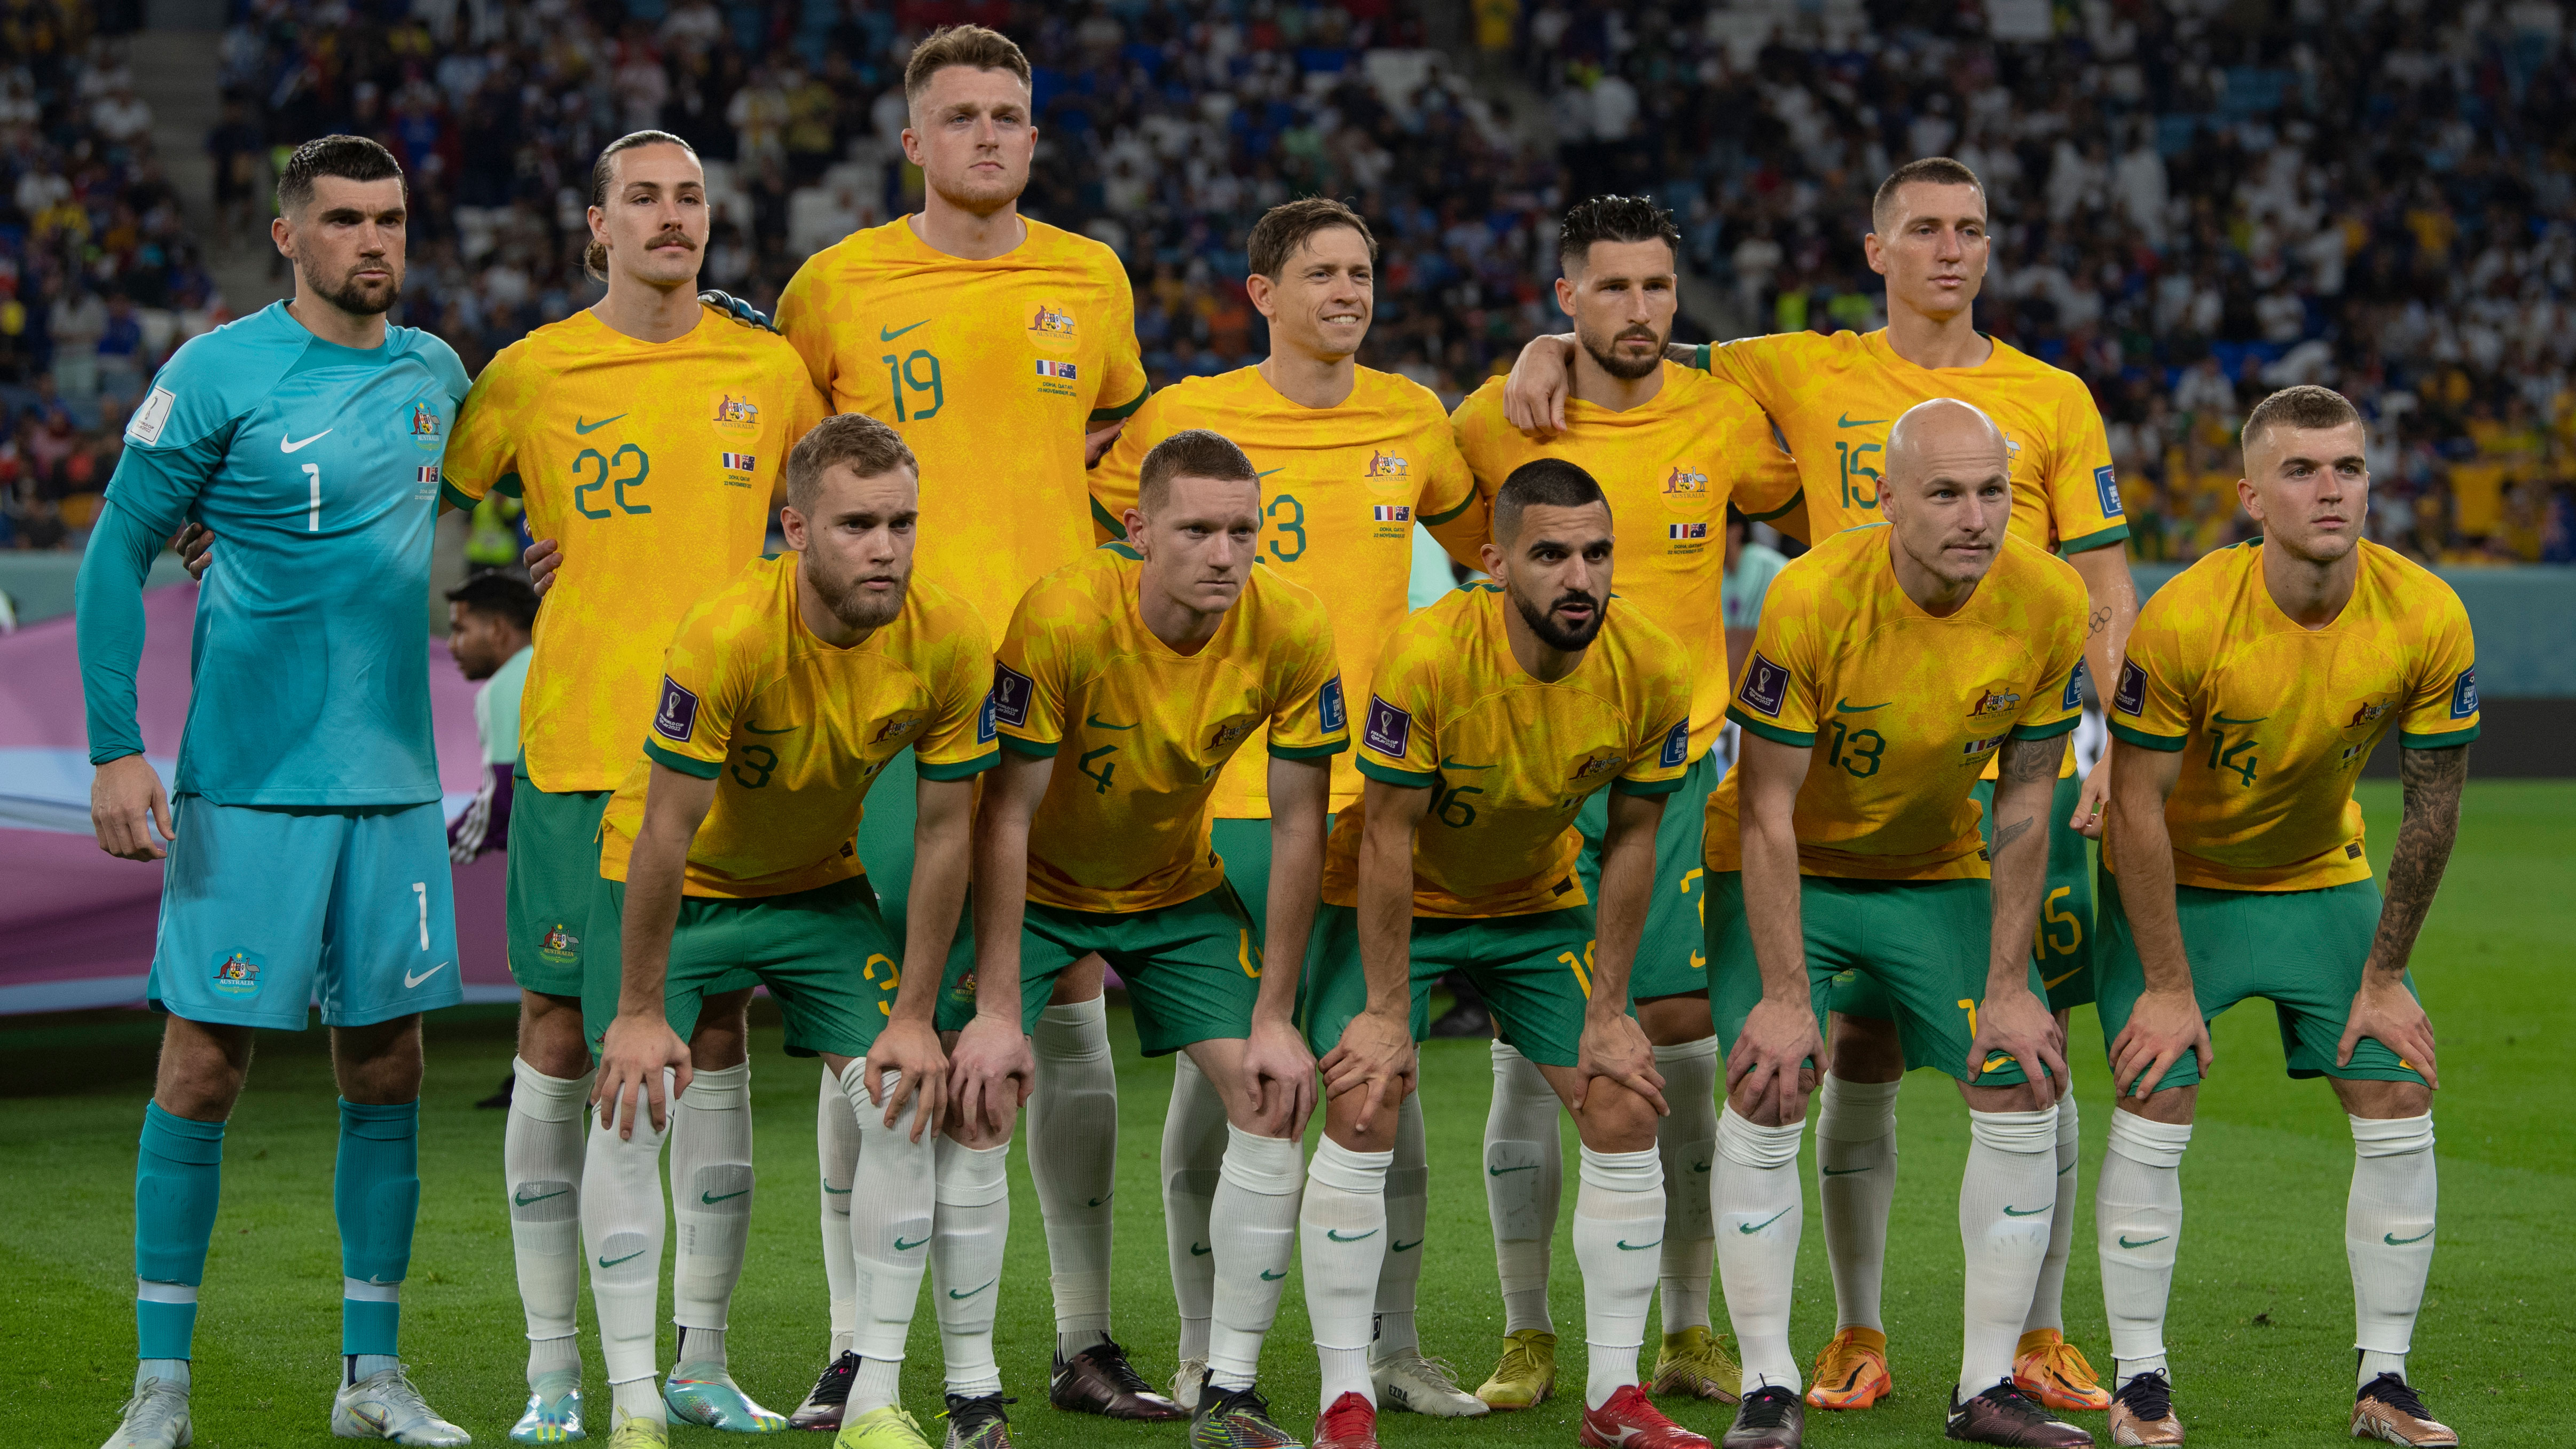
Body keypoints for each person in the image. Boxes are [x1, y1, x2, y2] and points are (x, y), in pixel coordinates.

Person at [1506, 158, 2139, 1413]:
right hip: (1827, 749)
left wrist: (2104, 734)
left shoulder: (2052, 396)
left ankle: (2038, 1331)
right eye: (1923, 230)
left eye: (1970, 228)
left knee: (2034, 1037)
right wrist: (1543, 339)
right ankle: (1843, 1334)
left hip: (1988, 763)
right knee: (1831, 1047)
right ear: (1875, 248)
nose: (1950, 250)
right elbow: (1637, 341)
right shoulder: (1798, 367)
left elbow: (2104, 580)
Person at [772, 29, 1165, 1415]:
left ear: (1034, 138)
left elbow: (1119, 448)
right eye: (962, 115)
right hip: (889, 692)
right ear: (914, 142)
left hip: (1055, 688)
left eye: (1011, 114)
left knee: (1063, 994)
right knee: (874, 1005)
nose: (990, 134)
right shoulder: (836, 287)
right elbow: (787, 480)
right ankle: (856, 1340)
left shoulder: (1091, 276)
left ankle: (1082, 1336)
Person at [78, 134, 473, 1449]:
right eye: (348, 218)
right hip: (246, 787)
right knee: (199, 1067)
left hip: (398, 788)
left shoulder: (437, 373)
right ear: (287, 235)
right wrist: (115, 744)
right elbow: (117, 549)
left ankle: (372, 1372)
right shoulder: (215, 372)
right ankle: (162, 1389)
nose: (376, 241)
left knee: (390, 1067)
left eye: (394, 219)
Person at [438, 129, 829, 1443]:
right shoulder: (532, 371)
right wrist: (480, 584)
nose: (672, 217)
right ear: (594, 227)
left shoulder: (769, 369)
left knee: (712, 1039)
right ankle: (558, 1370)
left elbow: (830, 523)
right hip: (580, 754)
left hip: (729, 762)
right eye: (644, 198)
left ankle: (702, 1360)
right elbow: (424, 484)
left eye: (692, 198)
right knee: (558, 1039)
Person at [1087, 197, 1489, 1418]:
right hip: (1219, 806)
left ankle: (1393, 1346)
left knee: (1383, 1071)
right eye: (1321, 272)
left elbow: (1488, 536)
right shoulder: (1184, 416)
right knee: (1228, 1087)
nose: (1348, 291)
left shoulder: (1414, 418)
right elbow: (1106, 532)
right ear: (1260, 291)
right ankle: (1215, 1353)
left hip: (1374, 805)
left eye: (1362, 271)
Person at [1449, 195, 1800, 1411]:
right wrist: (1529, 369)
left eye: (1658, 287)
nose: (1640, 311)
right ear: (1565, 295)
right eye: (1612, 289)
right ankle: (1529, 1326)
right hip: (1532, 775)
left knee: (1680, 1046)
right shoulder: (1498, 419)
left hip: (1679, 769)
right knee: (1526, 1047)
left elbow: (1814, 487)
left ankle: (1687, 1324)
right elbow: (1459, 544)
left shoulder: (1728, 419)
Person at [584, 413, 993, 1449]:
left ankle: (875, 1401)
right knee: (633, 1099)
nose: (887, 547)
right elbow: (666, 832)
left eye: (903, 522)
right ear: (796, 529)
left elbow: (950, 835)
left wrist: (912, 1015)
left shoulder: (948, 638)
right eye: (859, 524)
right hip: (686, 890)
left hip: (817, 889)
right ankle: (637, 1401)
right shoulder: (726, 633)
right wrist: (638, 1011)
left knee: (906, 1093)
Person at [942, 428, 1342, 1449]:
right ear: (1138, 530)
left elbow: (1302, 822)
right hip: (1036, 891)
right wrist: (995, 1008)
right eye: (1196, 530)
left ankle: (1229, 1393)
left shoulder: (1291, 627)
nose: (1222, 552)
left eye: (1241, 530)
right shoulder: (1064, 614)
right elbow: (1006, 812)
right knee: (973, 1091)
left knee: (1270, 1090)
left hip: (1173, 892)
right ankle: (973, 1395)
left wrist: (1275, 1015)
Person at [1706, 399, 2091, 1449]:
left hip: (1935, 870)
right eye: (1946, 492)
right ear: (1886, 500)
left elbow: (2025, 797)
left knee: (2023, 1078)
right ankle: (1768, 1384)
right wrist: (1788, 1000)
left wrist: (2011, 986)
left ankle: (1982, 1387)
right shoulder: (1812, 595)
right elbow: (1766, 809)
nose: (1976, 517)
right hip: (1800, 868)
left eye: (1994, 493)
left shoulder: (2051, 601)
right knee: (1768, 1080)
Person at [2095, 385, 2475, 1449]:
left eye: (2348, 467)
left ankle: (2386, 1382)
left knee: (2397, 1080)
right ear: (2250, 495)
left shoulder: (2426, 611)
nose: (2330, 489)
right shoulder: (2185, 618)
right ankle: (2140, 1381)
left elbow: (2435, 803)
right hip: (2184, 885)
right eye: (2302, 470)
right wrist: (2169, 988)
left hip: (2319, 876)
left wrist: (2387, 974)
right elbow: (2133, 804)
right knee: (2154, 1086)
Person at [1302, 459, 1705, 1449]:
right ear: (1493, 563)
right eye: (1550, 553)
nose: (1579, 577)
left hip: (1532, 906)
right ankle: (1344, 1394)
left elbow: (1635, 837)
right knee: (1363, 1096)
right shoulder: (1429, 652)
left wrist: (1609, 1009)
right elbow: (1387, 836)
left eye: (1596, 552)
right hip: (1399, 899)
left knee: (1621, 1094)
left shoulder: (1652, 664)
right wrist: (1388, 1012)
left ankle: (1614, 1396)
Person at [445, 571, 537, 864]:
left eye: (460, 630)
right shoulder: (547, 664)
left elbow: (502, 797)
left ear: (497, 629)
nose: (451, 645)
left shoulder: (505, 687)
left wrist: (434, 852)